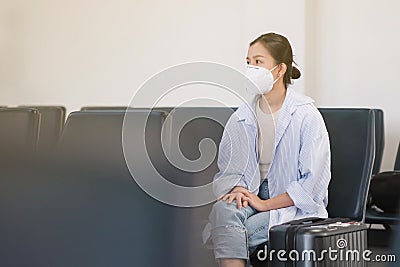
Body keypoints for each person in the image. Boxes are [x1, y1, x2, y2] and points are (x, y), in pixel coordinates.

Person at [202, 32, 331, 267]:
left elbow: (312, 185)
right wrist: (238, 189)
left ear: (280, 70)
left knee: (233, 233)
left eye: (258, 62)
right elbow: (228, 171)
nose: (251, 69)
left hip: (290, 203)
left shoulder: (306, 114)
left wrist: (265, 204)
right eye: (248, 62)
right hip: (252, 195)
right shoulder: (242, 116)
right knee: (223, 210)